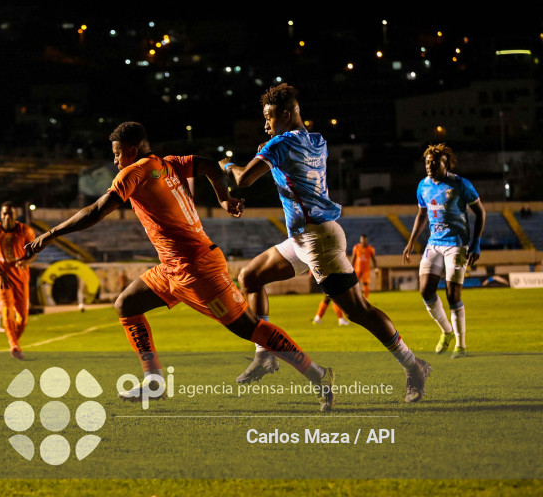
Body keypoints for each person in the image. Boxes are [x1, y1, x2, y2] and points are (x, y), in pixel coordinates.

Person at [26, 121, 338, 411]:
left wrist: (50, 234)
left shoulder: (133, 172)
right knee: (127, 304)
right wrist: (223, 197)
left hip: (198, 269)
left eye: (118, 153)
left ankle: (319, 374)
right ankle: (154, 381)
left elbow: (95, 211)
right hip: (172, 268)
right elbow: (209, 165)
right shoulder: (169, 163)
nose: (116, 160)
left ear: (132, 151)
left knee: (250, 328)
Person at [221, 84, 431, 403]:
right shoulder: (318, 140)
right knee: (249, 277)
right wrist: (269, 147)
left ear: (286, 114)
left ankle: (414, 366)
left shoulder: (279, 144)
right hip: (305, 237)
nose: (265, 124)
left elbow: (243, 179)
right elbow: (287, 157)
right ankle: (265, 354)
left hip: (318, 241)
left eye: (269, 116)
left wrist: (226, 164)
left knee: (360, 311)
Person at [402, 143, 486, 358]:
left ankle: (461, 345)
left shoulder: (460, 184)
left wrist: (476, 242)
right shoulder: (423, 186)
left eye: (434, 162)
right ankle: (446, 331)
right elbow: (422, 214)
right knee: (425, 291)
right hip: (434, 243)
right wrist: (411, 241)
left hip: (457, 244)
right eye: (427, 162)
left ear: (445, 163)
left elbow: (480, 212)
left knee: (452, 294)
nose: (429, 166)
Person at [0, 202, 36, 359]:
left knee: (23, 317)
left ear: (16, 215)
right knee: (6, 310)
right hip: (2, 274)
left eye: (10, 214)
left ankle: (14, 342)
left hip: (21, 274)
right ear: (1, 214)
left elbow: (34, 253)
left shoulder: (26, 230)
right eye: (4, 213)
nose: (7, 217)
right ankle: (14, 346)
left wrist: (25, 262)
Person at [351, 234, 378, 299]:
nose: (363, 240)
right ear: (360, 239)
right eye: (362, 239)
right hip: (357, 269)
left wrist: (376, 269)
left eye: (364, 239)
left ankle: (366, 299)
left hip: (366, 270)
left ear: (366, 240)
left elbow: (374, 259)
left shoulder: (370, 248)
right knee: (355, 284)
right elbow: (353, 258)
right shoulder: (356, 247)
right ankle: (355, 297)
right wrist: (351, 268)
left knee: (365, 284)